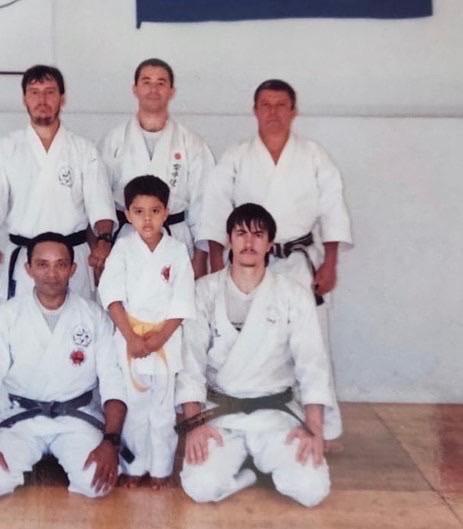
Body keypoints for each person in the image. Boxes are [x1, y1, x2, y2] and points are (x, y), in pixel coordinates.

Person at [198, 79, 352, 441]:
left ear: (294, 111)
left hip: (298, 262)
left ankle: (320, 424)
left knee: (312, 342)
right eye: (265, 105)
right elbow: (216, 211)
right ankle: (243, 415)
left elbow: (332, 209)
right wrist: (218, 264)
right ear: (254, 111)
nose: (273, 112)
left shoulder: (313, 155)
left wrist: (330, 263)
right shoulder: (237, 156)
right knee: (251, 338)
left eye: (281, 105)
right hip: (247, 263)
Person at [177, 203, 334, 507]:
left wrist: (314, 429)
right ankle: (251, 474)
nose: (249, 242)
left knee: (312, 490)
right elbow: (190, 363)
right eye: (241, 233)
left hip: (276, 413)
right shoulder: (204, 291)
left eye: (258, 235)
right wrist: (194, 425)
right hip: (221, 413)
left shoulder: (293, 295)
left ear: (270, 244)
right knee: (200, 487)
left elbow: (312, 364)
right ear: (229, 240)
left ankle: (265, 461)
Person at [0, 232, 127, 499]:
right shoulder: (8, 315)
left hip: (76, 418)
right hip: (21, 418)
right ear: (28, 269)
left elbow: (114, 382)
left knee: (96, 484)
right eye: (42, 264)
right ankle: (36, 455)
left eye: (60, 265)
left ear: (73, 269)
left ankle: (65, 454)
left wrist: (110, 442)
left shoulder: (93, 315)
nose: (51, 274)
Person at [0, 65, 116, 301]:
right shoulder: (6, 148)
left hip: (72, 260)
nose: (42, 100)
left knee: (76, 321)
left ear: (62, 98)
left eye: (50, 92)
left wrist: (104, 240)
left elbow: (100, 205)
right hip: (25, 260)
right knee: (22, 322)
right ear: (24, 99)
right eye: (34, 92)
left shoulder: (83, 150)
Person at [98, 175, 195, 489]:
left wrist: (159, 337)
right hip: (130, 338)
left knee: (162, 410)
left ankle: (161, 469)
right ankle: (134, 466)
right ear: (127, 215)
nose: (147, 219)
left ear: (167, 212)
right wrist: (131, 337)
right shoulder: (123, 249)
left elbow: (182, 301)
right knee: (135, 408)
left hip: (164, 340)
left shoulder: (177, 251)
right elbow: (111, 296)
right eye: (138, 212)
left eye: (155, 211)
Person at [100, 58, 215, 278]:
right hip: (127, 238)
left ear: (172, 91)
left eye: (161, 83)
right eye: (146, 82)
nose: (153, 89)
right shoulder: (113, 140)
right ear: (135, 89)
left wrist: (200, 259)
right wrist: (102, 245)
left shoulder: (192, 143)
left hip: (176, 238)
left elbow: (204, 206)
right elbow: (101, 199)